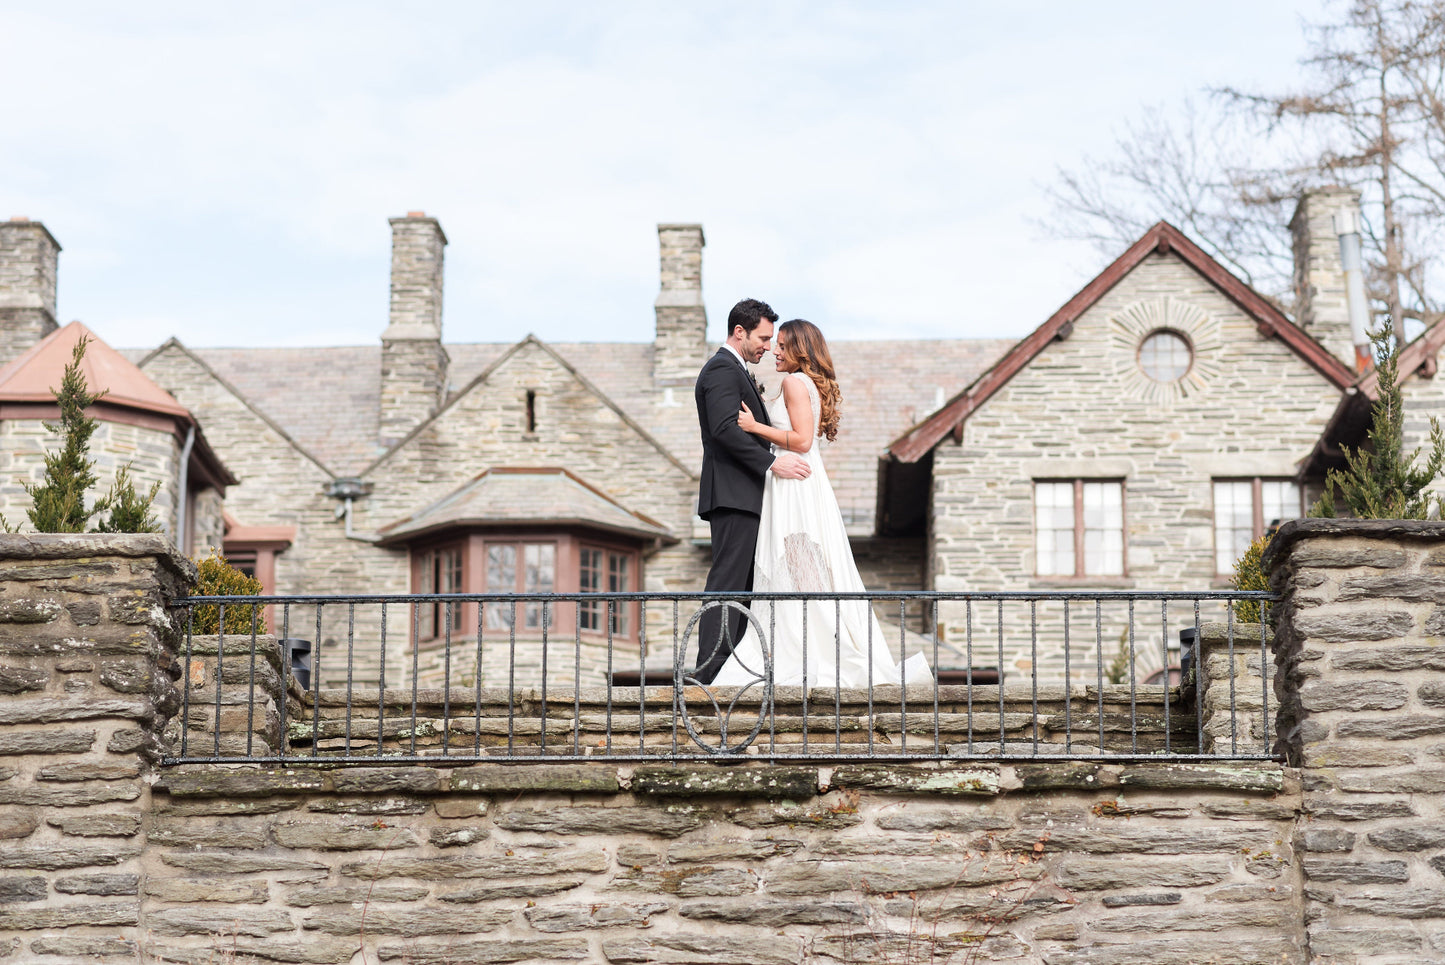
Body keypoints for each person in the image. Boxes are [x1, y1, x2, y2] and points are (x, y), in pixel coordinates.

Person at [710, 318, 933, 688]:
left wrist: (754, 427)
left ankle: (819, 646)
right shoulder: (805, 384)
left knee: (798, 563)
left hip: (794, 481)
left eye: (781, 345)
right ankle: (814, 642)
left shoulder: (795, 382)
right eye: (773, 343)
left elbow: (800, 441)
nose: (774, 351)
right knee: (802, 569)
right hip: (798, 479)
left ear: (799, 349)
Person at [692, 299, 812, 684]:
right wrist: (772, 463)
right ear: (739, 332)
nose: (767, 346)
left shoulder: (736, 370)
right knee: (728, 583)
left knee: (744, 588)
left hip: (747, 497)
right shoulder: (722, 370)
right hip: (733, 496)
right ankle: (707, 672)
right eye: (763, 338)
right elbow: (725, 428)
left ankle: (730, 671)